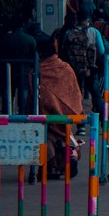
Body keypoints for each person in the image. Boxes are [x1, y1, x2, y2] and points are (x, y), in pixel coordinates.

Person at [37, 35, 83, 180]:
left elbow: (35, 96)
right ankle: (72, 155)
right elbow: (75, 92)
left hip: (48, 117)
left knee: (47, 140)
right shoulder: (66, 68)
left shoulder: (38, 71)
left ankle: (51, 165)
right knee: (68, 139)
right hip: (67, 118)